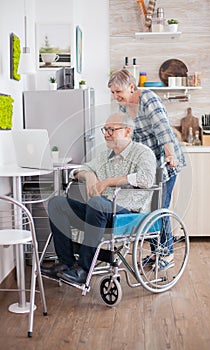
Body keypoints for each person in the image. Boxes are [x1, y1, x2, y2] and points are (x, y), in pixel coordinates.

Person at [41, 112, 157, 284]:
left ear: (127, 131)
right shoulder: (104, 156)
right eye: (105, 129)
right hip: (99, 211)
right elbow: (78, 169)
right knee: (57, 203)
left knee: (96, 202)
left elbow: (146, 179)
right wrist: (87, 175)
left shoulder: (143, 153)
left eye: (112, 130)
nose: (106, 134)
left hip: (128, 214)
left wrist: (109, 182)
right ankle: (66, 264)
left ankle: (84, 270)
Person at [108, 69, 186, 269]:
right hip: (148, 163)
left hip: (165, 160)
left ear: (131, 87)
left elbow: (163, 129)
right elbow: (130, 135)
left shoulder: (148, 99)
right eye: (113, 93)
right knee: (148, 208)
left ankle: (166, 254)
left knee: (159, 208)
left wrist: (170, 155)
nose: (116, 97)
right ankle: (155, 253)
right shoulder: (125, 107)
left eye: (118, 92)